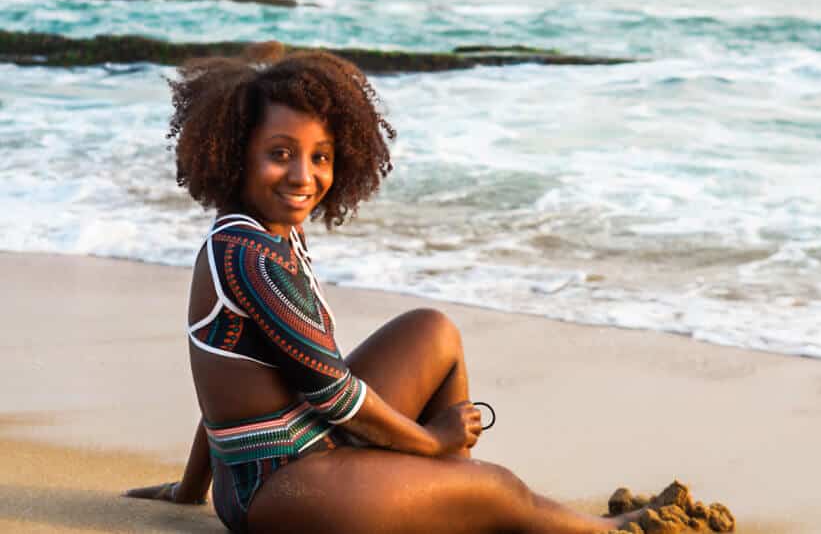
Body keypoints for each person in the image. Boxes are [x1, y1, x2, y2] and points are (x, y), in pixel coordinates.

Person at [125, 46, 642, 533]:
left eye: (321, 157)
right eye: (280, 153)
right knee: (500, 489)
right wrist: (431, 441)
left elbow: (224, 385)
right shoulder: (250, 256)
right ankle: (608, 529)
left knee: (433, 331)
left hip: (305, 447)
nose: (303, 176)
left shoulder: (271, 234)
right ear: (237, 155)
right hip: (277, 488)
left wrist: (187, 490)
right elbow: (334, 393)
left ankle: (447, 498)